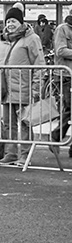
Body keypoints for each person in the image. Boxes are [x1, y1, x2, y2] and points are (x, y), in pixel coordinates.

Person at [0, 6, 43, 167]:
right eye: (8, 21)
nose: (10, 24)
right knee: (8, 124)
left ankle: (25, 155)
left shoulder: (32, 38)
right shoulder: (2, 39)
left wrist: (36, 88)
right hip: (6, 90)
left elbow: (39, 64)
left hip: (24, 88)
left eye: (13, 21)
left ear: (21, 22)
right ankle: (10, 153)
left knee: (25, 123)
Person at [50, 13, 72, 149]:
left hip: (67, 74)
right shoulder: (62, 29)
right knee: (68, 110)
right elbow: (60, 51)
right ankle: (56, 136)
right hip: (66, 75)